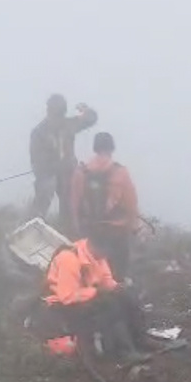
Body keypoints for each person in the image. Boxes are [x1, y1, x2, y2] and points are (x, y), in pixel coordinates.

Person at [42, 227, 152, 361]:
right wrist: (96, 292)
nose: (107, 255)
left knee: (127, 297)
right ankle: (124, 352)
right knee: (110, 306)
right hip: (61, 305)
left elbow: (106, 280)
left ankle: (141, 340)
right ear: (96, 245)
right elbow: (67, 296)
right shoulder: (69, 258)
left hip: (85, 296)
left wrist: (118, 288)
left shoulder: (98, 255)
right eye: (107, 250)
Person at [69, 132, 139, 280]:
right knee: (117, 276)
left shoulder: (80, 172)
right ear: (112, 148)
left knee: (89, 275)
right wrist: (133, 227)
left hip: (89, 232)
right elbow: (131, 205)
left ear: (95, 147)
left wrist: (78, 229)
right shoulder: (121, 172)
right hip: (115, 233)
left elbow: (75, 204)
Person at [29, 94, 98, 224]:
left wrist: (86, 110)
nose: (58, 117)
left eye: (61, 113)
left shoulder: (68, 125)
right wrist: (51, 167)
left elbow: (91, 119)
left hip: (68, 173)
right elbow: (36, 162)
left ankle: (69, 226)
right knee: (45, 190)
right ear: (49, 111)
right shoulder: (39, 132)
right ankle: (34, 224)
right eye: (56, 113)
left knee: (72, 199)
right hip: (48, 174)